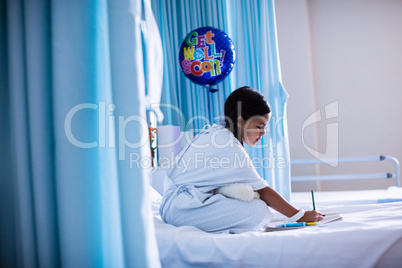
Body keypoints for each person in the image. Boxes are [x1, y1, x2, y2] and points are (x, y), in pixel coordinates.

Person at [159, 86, 322, 233]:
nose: (263, 133)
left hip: (180, 204)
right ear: (240, 121)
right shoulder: (228, 146)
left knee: (255, 206)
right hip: (180, 209)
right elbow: (263, 191)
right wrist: (300, 216)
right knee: (259, 211)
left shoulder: (218, 134)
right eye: (259, 126)